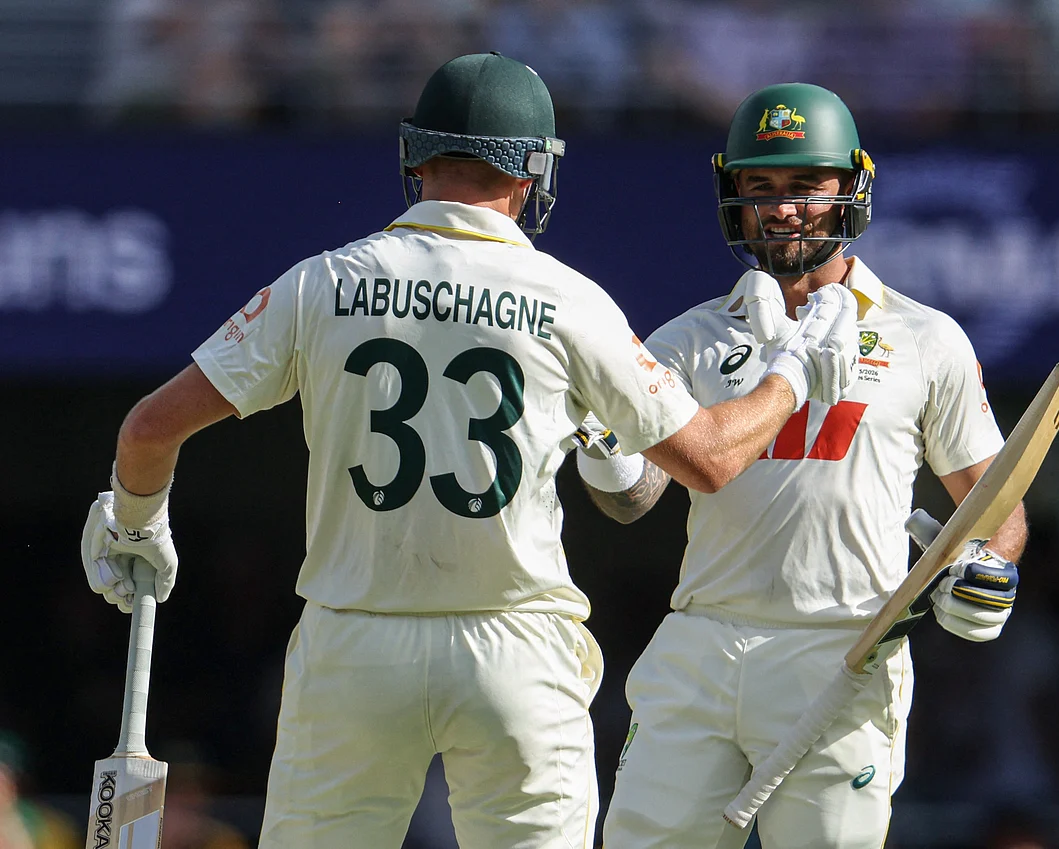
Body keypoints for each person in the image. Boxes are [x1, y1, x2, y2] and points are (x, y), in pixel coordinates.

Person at [79, 55, 861, 849]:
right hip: (514, 650)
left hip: (354, 647)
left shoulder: (322, 282)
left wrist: (137, 522)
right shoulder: (569, 298)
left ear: (416, 159)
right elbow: (712, 459)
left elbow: (147, 430)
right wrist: (796, 369)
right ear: (531, 173)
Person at [579, 82, 1029, 849]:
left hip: (843, 651)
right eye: (760, 187)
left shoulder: (926, 338)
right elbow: (634, 499)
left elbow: (996, 504)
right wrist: (605, 455)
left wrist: (987, 562)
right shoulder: (686, 339)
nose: (783, 208)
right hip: (702, 643)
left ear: (851, 188)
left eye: (805, 186)